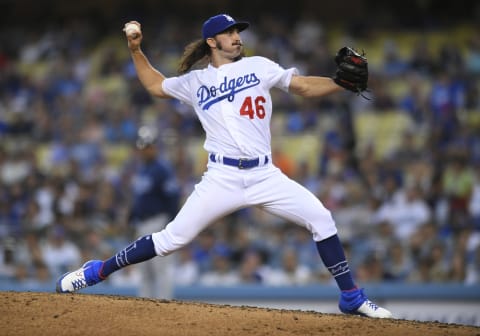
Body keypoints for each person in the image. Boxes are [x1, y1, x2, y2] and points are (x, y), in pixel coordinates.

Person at [56, 13, 392, 318]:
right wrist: (136, 51)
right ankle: (97, 271)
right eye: (229, 32)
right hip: (222, 177)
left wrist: (340, 83)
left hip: (264, 174)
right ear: (212, 42)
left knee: (321, 218)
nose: (236, 36)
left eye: (237, 31)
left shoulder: (259, 66)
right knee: (170, 240)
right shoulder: (195, 81)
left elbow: (302, 85)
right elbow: (155, 85)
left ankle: (351, 296)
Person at [127, 125, 180, 298]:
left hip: (158, 223)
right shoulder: (142, 169)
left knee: (160, 269)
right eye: (141, 147)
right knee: (144, 270)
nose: (144, 151)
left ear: (154, 147)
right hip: (142, 223)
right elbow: (140, 199)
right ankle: (145, 309)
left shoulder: (162, 169)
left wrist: (170, 225)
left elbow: (173, 197)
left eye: (147, 147)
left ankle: (164, 307)